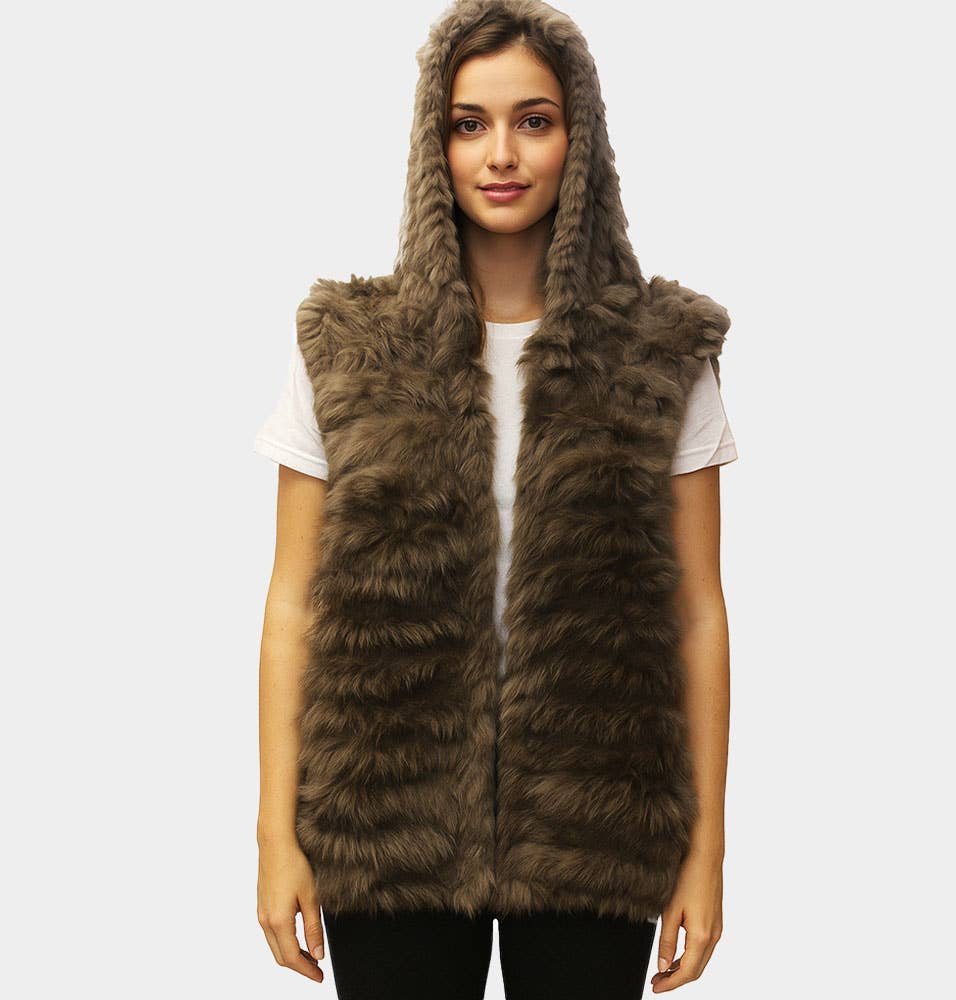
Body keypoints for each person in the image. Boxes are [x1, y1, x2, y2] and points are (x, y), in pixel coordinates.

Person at [254, 1, 735, 997]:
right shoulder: (348, 349)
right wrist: (274, 835)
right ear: (433, 145)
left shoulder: (658, 355)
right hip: (387, 820)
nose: (501, 153)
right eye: (469, 124)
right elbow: (291, 605)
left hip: (595, 820)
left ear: (579, 140)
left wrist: (706, 852)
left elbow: (697, 612)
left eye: (534, 120)